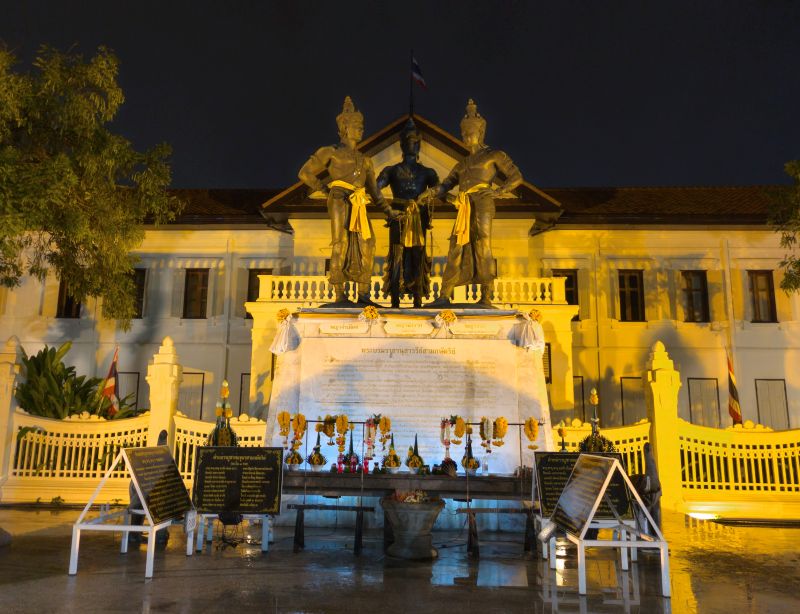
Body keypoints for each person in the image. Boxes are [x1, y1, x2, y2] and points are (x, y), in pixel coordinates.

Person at [298, 97, 398, 305]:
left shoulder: (365, 161)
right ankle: (339, 292)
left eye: (361, 127)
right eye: (356, 126)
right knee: (340, 242)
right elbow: (305, 173)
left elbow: (376, 193)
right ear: (344, 127)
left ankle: (362, 292)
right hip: (339, 198)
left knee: (367, 243)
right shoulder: (330, 151)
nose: (360, 130)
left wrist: (389, 211)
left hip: (359, 202)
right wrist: (325, 190)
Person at [427, 100, 523, 307]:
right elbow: (446, 185)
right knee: (456, 246)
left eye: (469, 132)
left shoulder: (493, 155)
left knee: (483, 243)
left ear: (480, 133)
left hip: (483, 201)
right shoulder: (461, 164)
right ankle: (445, 294)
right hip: (464, 205)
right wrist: (434, 192)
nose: (465, 137)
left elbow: (516, 177)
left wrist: (500, 191)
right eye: (463, 133)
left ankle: (486, 294)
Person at [376, 117, 439, 308]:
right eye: (409, 141)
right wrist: (387, 209)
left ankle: (418, 299)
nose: (412, 145)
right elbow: (375, 188)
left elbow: (440, 190)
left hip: (418, 217)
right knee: (397, 256)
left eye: (416, 142)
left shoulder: (428, 172)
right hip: (398, 215)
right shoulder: (392, 170)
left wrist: (431, 194)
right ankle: (395, 299)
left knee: (418, 256)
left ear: (420, 145)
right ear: (402, 145)